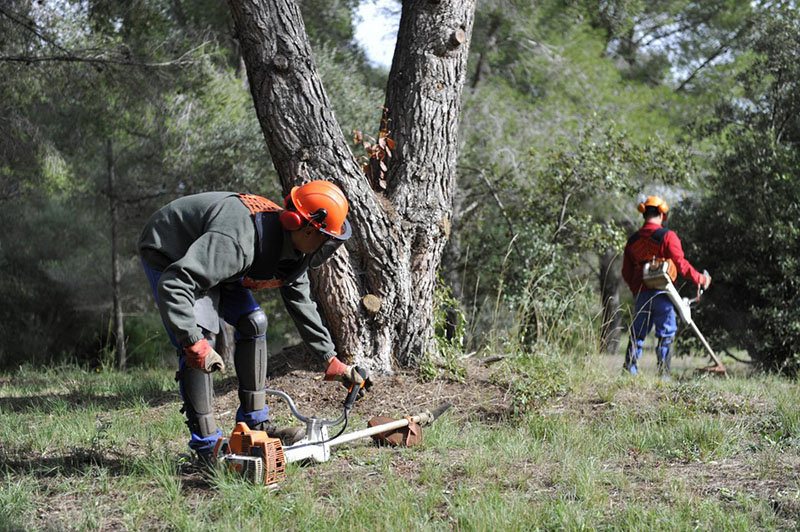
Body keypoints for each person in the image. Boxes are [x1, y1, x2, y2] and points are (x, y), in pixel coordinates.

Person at [138, 180, 371, 463]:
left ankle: (254, 425)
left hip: (214, 260)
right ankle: (207, 447)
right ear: (307, 227)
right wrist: (193, 342)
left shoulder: (293, 249)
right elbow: (175, 283)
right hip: (171, 249)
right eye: (327, 238)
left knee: (254, 321)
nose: (328, 246)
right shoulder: (239, 241)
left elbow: (302, 304)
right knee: (199, 337)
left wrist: (330, 359)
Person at [621, 195, 711, 376]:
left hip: (642, 294)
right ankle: (663, 376)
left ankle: (629, 372)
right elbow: (681, 265)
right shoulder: (668, 236)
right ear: (662, 214)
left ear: (644, 213)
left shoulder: (632, 241)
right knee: (666, 334)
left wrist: (637, 291)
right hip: (664, 294)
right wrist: (701, 279)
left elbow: (626, 272)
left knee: (637, 334)